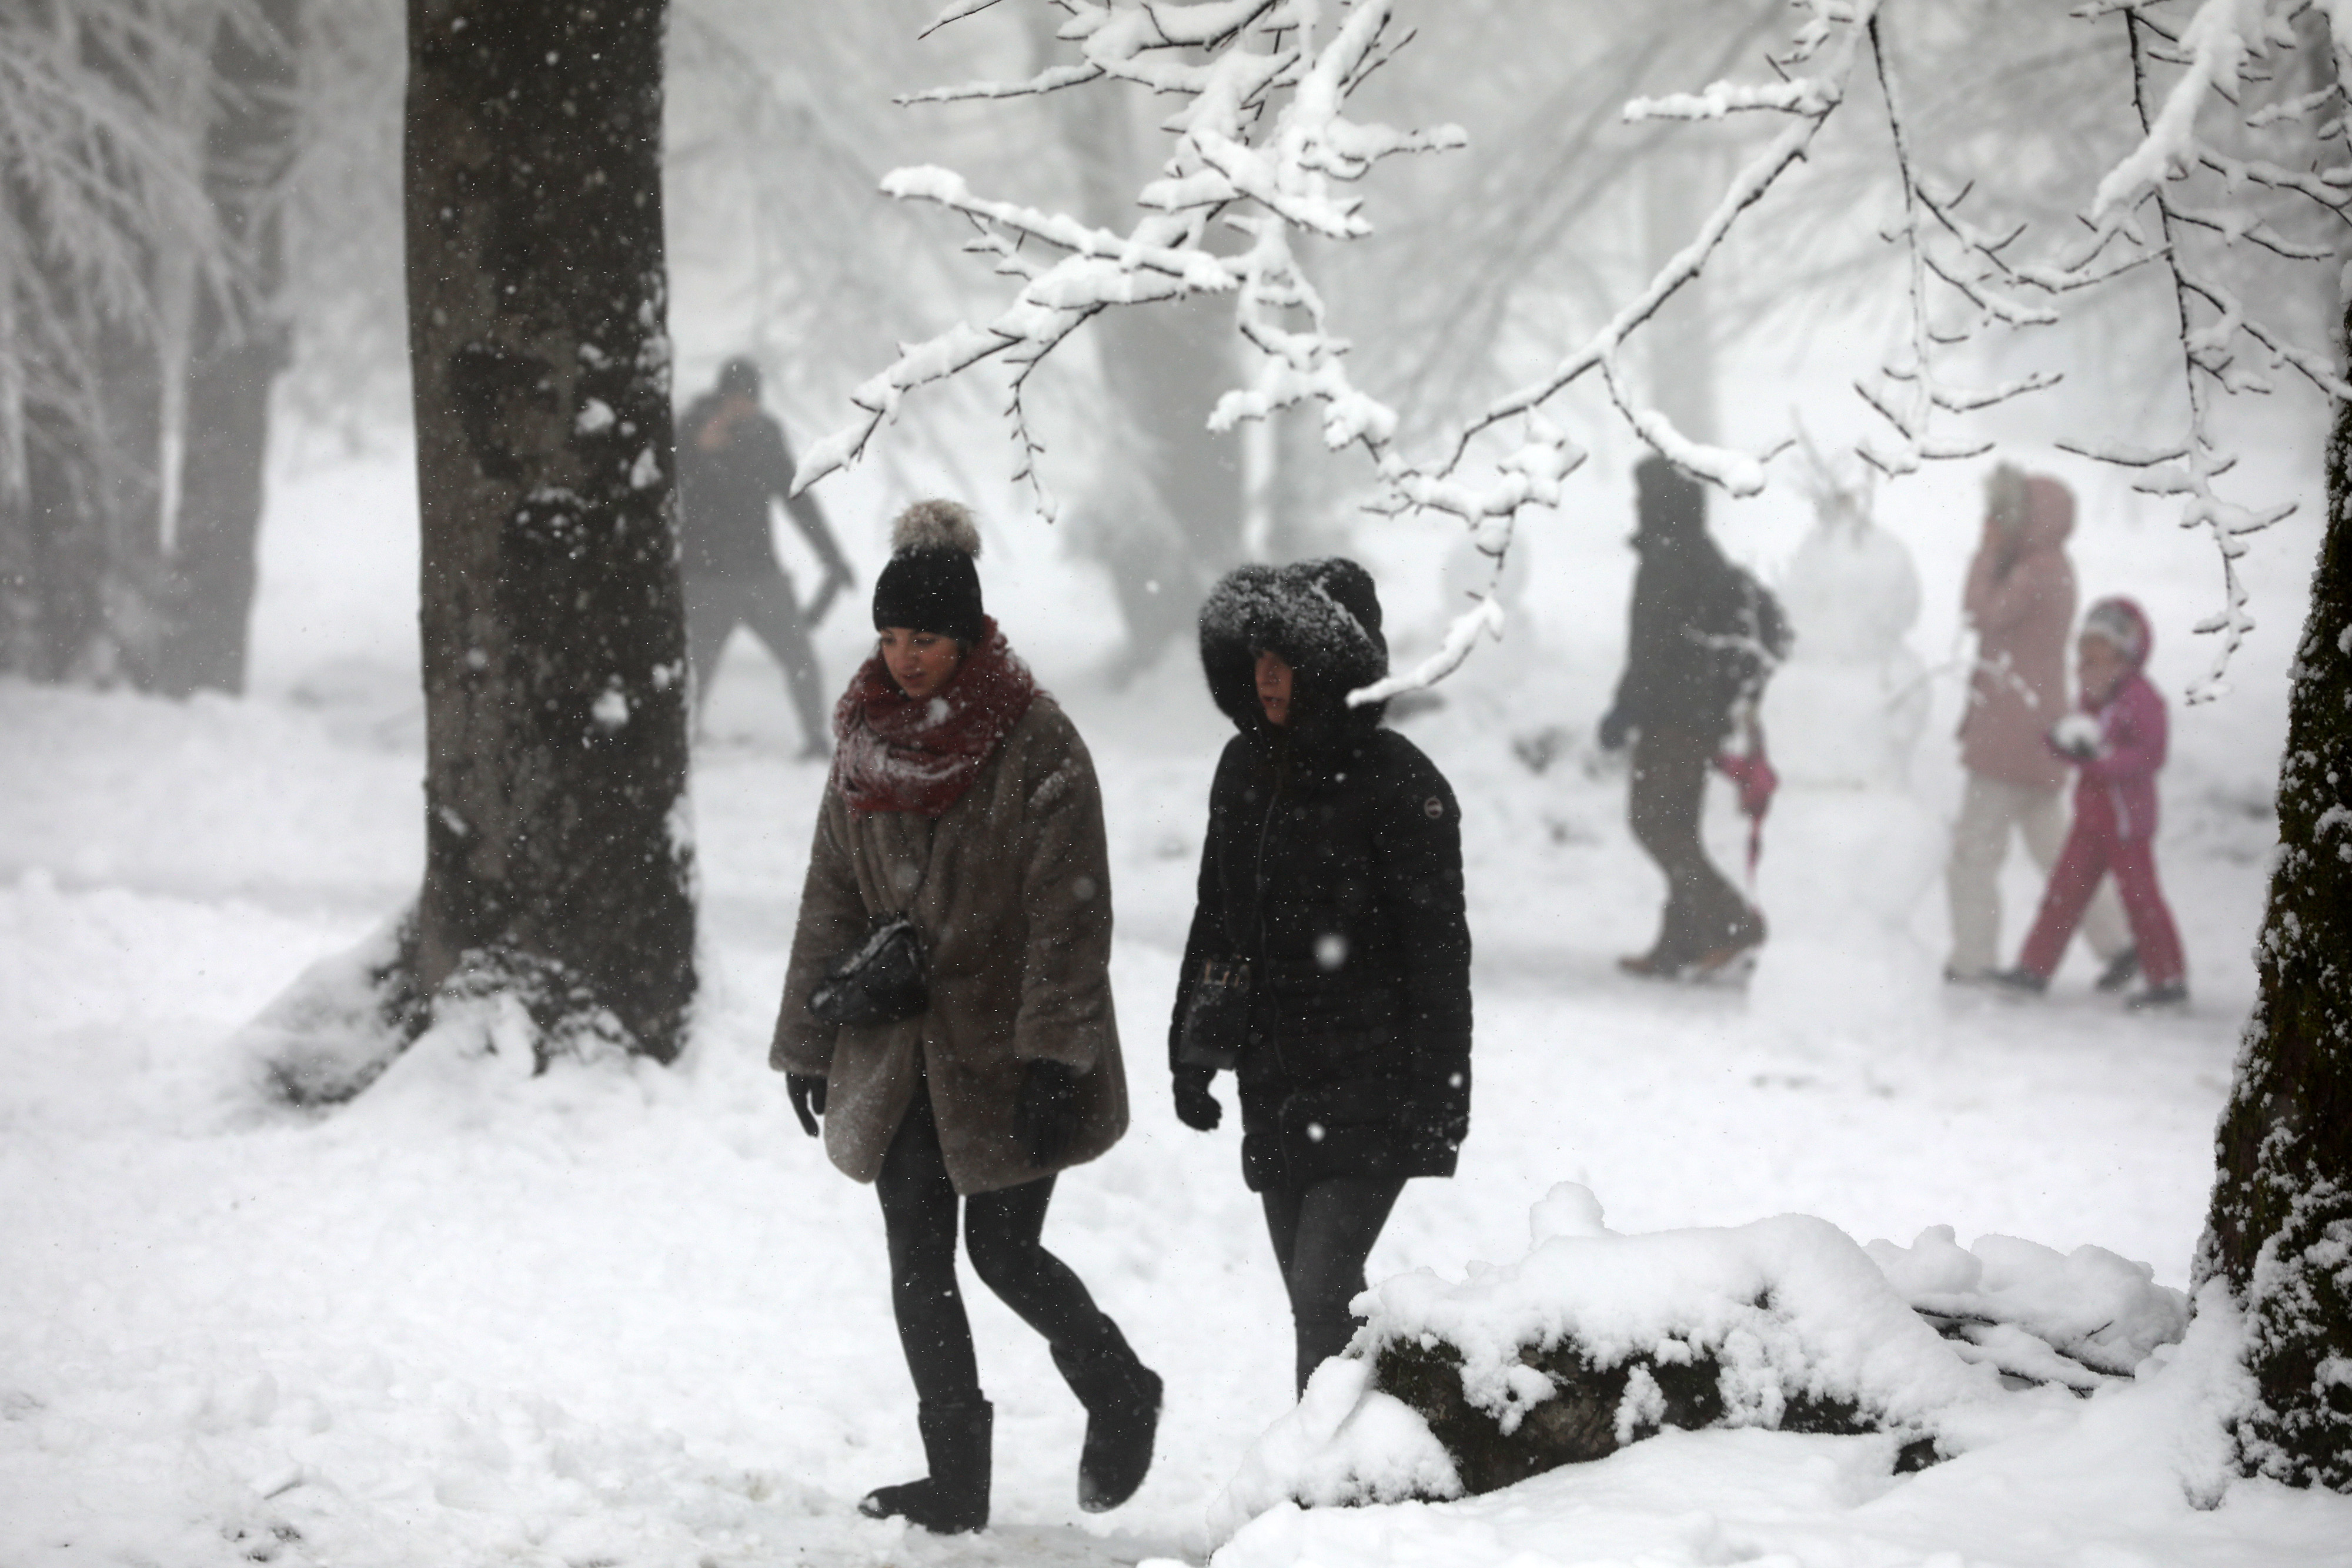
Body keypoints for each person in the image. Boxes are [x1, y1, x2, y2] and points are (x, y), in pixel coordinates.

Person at [770, 500, 1160, 1533]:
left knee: (1002, 1249)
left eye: (926, 639)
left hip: (1006, 1047)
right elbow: (831, 894)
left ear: (969, 635)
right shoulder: (862, 737)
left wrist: (1051, 1055)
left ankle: (1120, 1386)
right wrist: (808, 1043)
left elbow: (1070, 914)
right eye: (891, 636)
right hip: (896, 1049)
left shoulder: (1037, 741)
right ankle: (957, 1478)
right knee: (915, 1258)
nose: (904, 657)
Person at [1169, 558, 1472, 1396]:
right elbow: (1216, 919)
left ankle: (1319, 1493)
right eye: (1257, 657)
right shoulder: (1243, 772)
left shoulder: (1403, 785)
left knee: (1320, 1294)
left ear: (1333, 665)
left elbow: (1440, 956)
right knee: (1321, 1298)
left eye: (1287, 659)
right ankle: (1393, 1432)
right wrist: (1191, 1052)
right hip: (1276, 1078)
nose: (1268, 677)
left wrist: (1443, 1097)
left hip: (1374, 1079)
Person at [1597, 456, 1790, 979]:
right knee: (1677, 825)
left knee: (1655, 823)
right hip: (1698, 715)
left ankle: (1731, 923)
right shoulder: (1702, 554)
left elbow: (1652, 648)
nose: (1637, 505)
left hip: (1672, 717)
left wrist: (1625, 707)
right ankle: (1680, 942)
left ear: (1663, 501)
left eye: (1644, 495)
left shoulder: (1669, 558)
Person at [1945, 464, 2134, 987]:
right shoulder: (2052, 565)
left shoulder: (2035, 570)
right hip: (2036, 732)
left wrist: (1986, 554)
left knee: (1974, 855)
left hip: (2010, 737)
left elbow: (1981, 612)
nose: (1997, 522)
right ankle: (2118, 944)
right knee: (2059, 854)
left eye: (2006, 514)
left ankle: (1972, 958)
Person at [1993, 597, 2189, 1009]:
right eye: (2085, 646)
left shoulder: (2141, 697)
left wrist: (2102, 762)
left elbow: (2150, 755)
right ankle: (2033, 969)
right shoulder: (2092, 694)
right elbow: (2088, 744)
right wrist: (2061, 742)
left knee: (2141, 900)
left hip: (2126, 822)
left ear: (2125, 651)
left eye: (2099, 647)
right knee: (2063, 894)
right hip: (2091, 818)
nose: (2088, 656)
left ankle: (2168, 981)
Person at [677, 356, 855, 757]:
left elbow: (796, 497)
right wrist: (696, 451)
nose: (744, 405)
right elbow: (664, 488)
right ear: (723, 396)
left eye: (751, 398)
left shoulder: (764, 434)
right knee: (694, 670)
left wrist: (832, 557)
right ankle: (679, 747)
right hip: (704, 579)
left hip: (761, 574)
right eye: (737, 397)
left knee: (800, 658)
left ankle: (815, 740)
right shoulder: (690, 428)